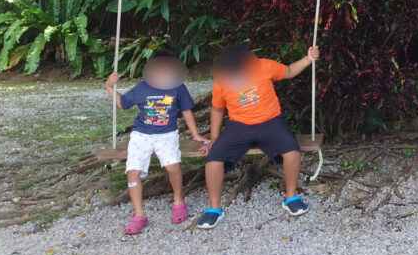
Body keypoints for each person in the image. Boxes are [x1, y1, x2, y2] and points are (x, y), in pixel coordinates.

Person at [197, 43, 318, 229]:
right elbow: (217, 109)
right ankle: (214, 208)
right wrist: (214, 138)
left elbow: (289, 71)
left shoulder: (264, 65)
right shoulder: (222, 79)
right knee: (213, 160)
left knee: (292, 151)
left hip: (271, 121)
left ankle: (291, 197)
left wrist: (309, 58)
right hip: (238, 126)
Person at [105, 50, 206, 235]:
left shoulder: (178, 88)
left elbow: (186, 111)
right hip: (141, 134)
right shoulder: (142, 88)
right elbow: (122, 104)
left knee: (173, 166)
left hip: (167, 134)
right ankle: (139, 214)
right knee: (132, 171)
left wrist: (196, 134)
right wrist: (109, 87)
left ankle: (178, 201)